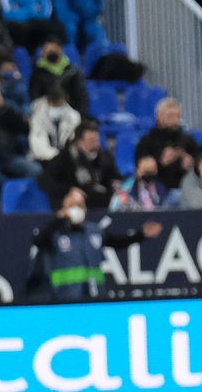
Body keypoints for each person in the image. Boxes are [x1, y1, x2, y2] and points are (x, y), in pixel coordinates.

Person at [29, 188, 162, 302]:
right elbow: (38, 240)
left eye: (80, 206)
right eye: (72, 206)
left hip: (95, 296)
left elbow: (118, 242)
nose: (76, 210)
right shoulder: (55, 233)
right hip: (65, 298)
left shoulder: (95, 231)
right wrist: (59, 219)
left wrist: (141, 235)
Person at [38, 122, 122, 209]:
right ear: (80, 141)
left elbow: (115, 177)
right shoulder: (66, 157)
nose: (96, 142)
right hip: (75, 202)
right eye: (91, 140)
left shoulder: (104, 157)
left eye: (96, 140)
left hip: (101, 200)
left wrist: (114, 183)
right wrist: (69, 189)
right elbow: (45, 180)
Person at [135, 98, 198, 190]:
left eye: (177, 116)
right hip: (157, 190)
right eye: (170, 116)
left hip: (186, 188)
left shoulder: (188, 139)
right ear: (158, 117)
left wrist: (191, 164)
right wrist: (161, 162)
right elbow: (142, 173)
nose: (174, 119)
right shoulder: (147, 141)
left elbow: (201, 164)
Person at [29, 40, 88, 116]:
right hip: (46, 114)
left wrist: (80, 116)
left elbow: (81, 97)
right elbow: (35, 98)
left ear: (60, 49)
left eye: (54, 49)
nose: (51, 52)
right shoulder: (37, 74)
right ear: (43, 52)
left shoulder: (72, 72)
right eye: (47, 50)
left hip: (71, 113)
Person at [28, 85, 81, 163]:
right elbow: (39, 147)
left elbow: (75, 143)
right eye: (54, 105)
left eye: (60, 104)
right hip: (42, 159)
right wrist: (60, 157)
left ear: (65, 101)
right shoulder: (37, 116)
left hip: (66, 160)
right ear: (48, 102)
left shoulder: (74, 117)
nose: (57, 108)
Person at [109, 155, 177, 212]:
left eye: (151, 170)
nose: (148, 174)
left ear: (156, 170)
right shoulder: (126, 189)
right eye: (145, 171)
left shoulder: (163, 190)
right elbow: (113, 211)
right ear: (137, 170)